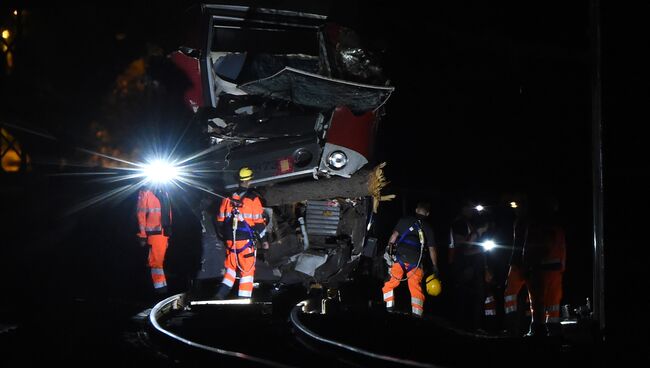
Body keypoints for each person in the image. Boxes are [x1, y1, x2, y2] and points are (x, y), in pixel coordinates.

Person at [214, 167, 269, 299]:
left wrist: (225, 238)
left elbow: (220, 221)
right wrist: (265, 241)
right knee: (247, 271)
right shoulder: (253, 199)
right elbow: (259, 223)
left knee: (231, 269)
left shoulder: (227, 198)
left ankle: (220, 295)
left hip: (230, 241)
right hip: (245, 241)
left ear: (239, 180)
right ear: (250, 181)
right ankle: (244, 299)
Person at [382, 202, 439, 318]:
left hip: (399, 257)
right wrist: (435, 266)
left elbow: (393, 237)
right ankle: (417, 314)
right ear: (427, 213)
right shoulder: (428, 228)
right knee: (415, 287)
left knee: (392, 281)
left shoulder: (404, 220)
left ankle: (389, 307)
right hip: (416, 262)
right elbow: (432, 249)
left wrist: (388, 251)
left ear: (416, 209)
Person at [522, 195, 566, 337]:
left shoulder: (535, 226)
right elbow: (562, 249)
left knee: (538, 302)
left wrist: (527, 267)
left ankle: (538, 329)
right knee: (553, 301)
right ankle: (552, 329)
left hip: (540, 270)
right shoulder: (558, 227)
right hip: (556, 270)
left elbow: (529, 249)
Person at [448, 200, 489, 331]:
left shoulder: (467, 223)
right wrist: (478, 237)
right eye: (470, 208)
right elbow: (463, 248)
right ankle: (463, 326)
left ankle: (468, 325)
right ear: (463, 208)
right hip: (462, 265)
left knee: (468, 296)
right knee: (464, 296)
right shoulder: (460, 223)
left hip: (467, 265)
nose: (472, 211)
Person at [136, 185, 172, 295]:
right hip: (153, 233)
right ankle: (159, 290)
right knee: (155, 262)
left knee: (159, 262)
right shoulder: (145, 192)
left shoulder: (165, 191)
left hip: (163, 233)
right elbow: (140, 214)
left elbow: (168, 213)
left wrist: (168, 234)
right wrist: (142, 235)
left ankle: (161, 288)